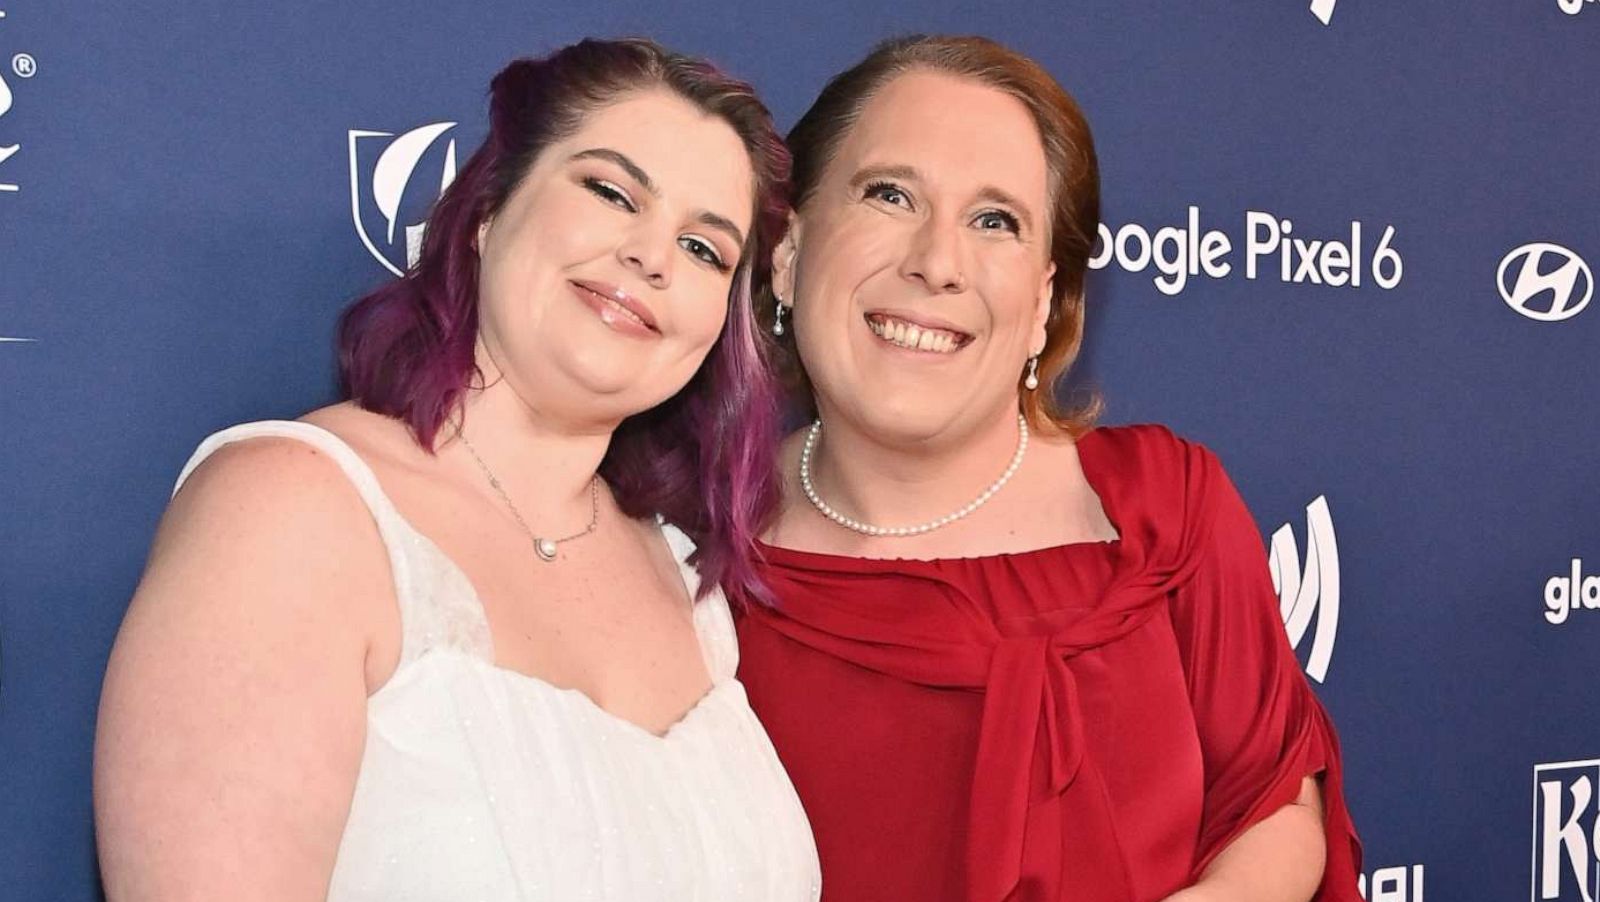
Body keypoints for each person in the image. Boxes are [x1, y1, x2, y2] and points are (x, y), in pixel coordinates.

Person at [95, 38, 818, 902]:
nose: (653, 257)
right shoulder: (295, 509)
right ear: (486, 214)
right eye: (612, 192)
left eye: (705, 249)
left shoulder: (685, 577)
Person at [734, 35, 1361, 902]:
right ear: (790, 254)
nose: (937, 262)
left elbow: (1276, 802)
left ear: (1041, 305)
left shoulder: (1166, 509)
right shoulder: (694, 554)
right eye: (890, 193)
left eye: (996, 221)